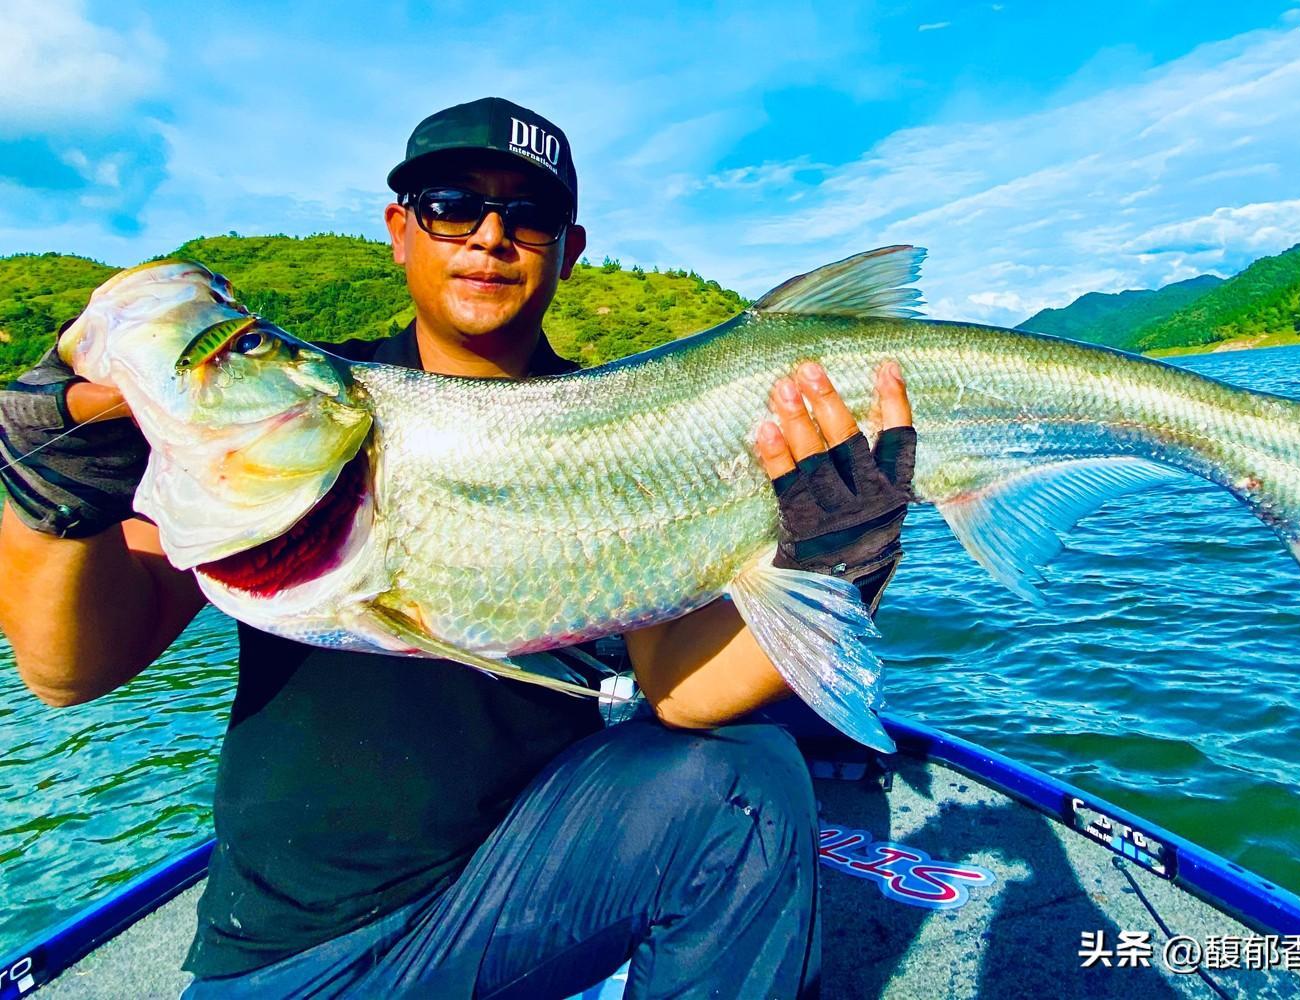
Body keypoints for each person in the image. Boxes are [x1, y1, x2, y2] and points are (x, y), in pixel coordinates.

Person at [0, 97, 916, 998]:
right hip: (295, 951)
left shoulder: (625, 432)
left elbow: (682, 687)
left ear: (569, 248)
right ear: (400, 230)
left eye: (529, 215)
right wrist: (50, 488)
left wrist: (838, 565)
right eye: (450, 207)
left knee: (752, 780)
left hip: (525, 895)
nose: (488, 236)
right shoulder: (291, 412)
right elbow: (66, 670)